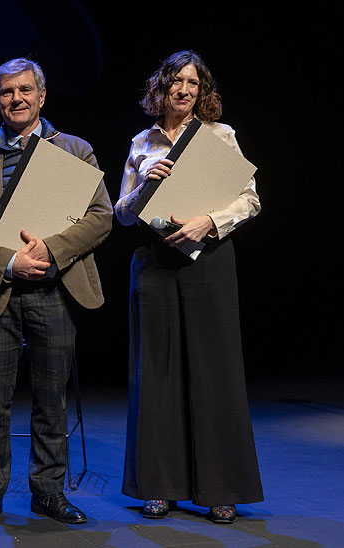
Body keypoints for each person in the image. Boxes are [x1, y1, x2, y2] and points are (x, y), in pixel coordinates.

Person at [0, 58, 113, 528]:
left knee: (51, 400)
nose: (17, 98)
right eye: (7, 92)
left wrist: (49, 250)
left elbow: (100, 217)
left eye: (25, 90)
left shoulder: (76, 150)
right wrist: (10, 261)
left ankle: (48, 493)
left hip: (56, 291)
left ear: (42, 96)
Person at [114, 50, 263, 524]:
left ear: (203, 92)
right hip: (155, 262)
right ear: (161, 88)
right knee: (156, 372)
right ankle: (159, 487)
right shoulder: (142, 142)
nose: (183, 89)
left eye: (193, 83)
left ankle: (221, 489)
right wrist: (144, 186)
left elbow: (250, 199)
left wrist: (209, 222)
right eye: (176, 81)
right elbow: (121, 213)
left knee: (214, 370)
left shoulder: (220, 136)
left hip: (209, 260)